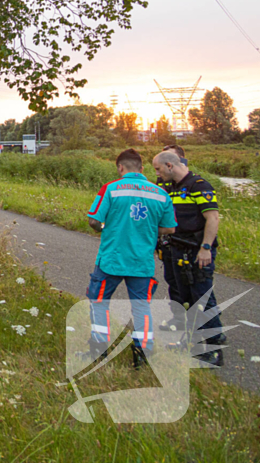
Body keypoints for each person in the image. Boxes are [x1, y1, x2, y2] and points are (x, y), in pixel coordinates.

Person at [85, 149, 177, 368]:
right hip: (142, 261)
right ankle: (142, 353)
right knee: (141, 307)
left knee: (99, 302)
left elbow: (94, 221)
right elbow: (169, 228)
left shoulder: (111, 189)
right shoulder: (161, 194)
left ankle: (99, 348)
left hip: (111, 259)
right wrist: (148, 230)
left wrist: (107, 228)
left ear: (120, 167)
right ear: (142, 169)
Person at [152, 150, 225, 366]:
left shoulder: (199, 186)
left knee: (202, 297)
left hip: (197, 250)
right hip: (177, 249)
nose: (157, 173)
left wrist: (205, 247)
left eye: (158, 169)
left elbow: (212, 218)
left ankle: (214, 348)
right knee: (185, 297)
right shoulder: (171, 187)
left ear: (170, 165)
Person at [155, 144, 187, 327]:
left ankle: (208, 326)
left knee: (193, 284)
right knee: (172, 279)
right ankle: (179, 318)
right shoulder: (161, 182)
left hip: (187, 241)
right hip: (168, 240)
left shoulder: (192, 183)